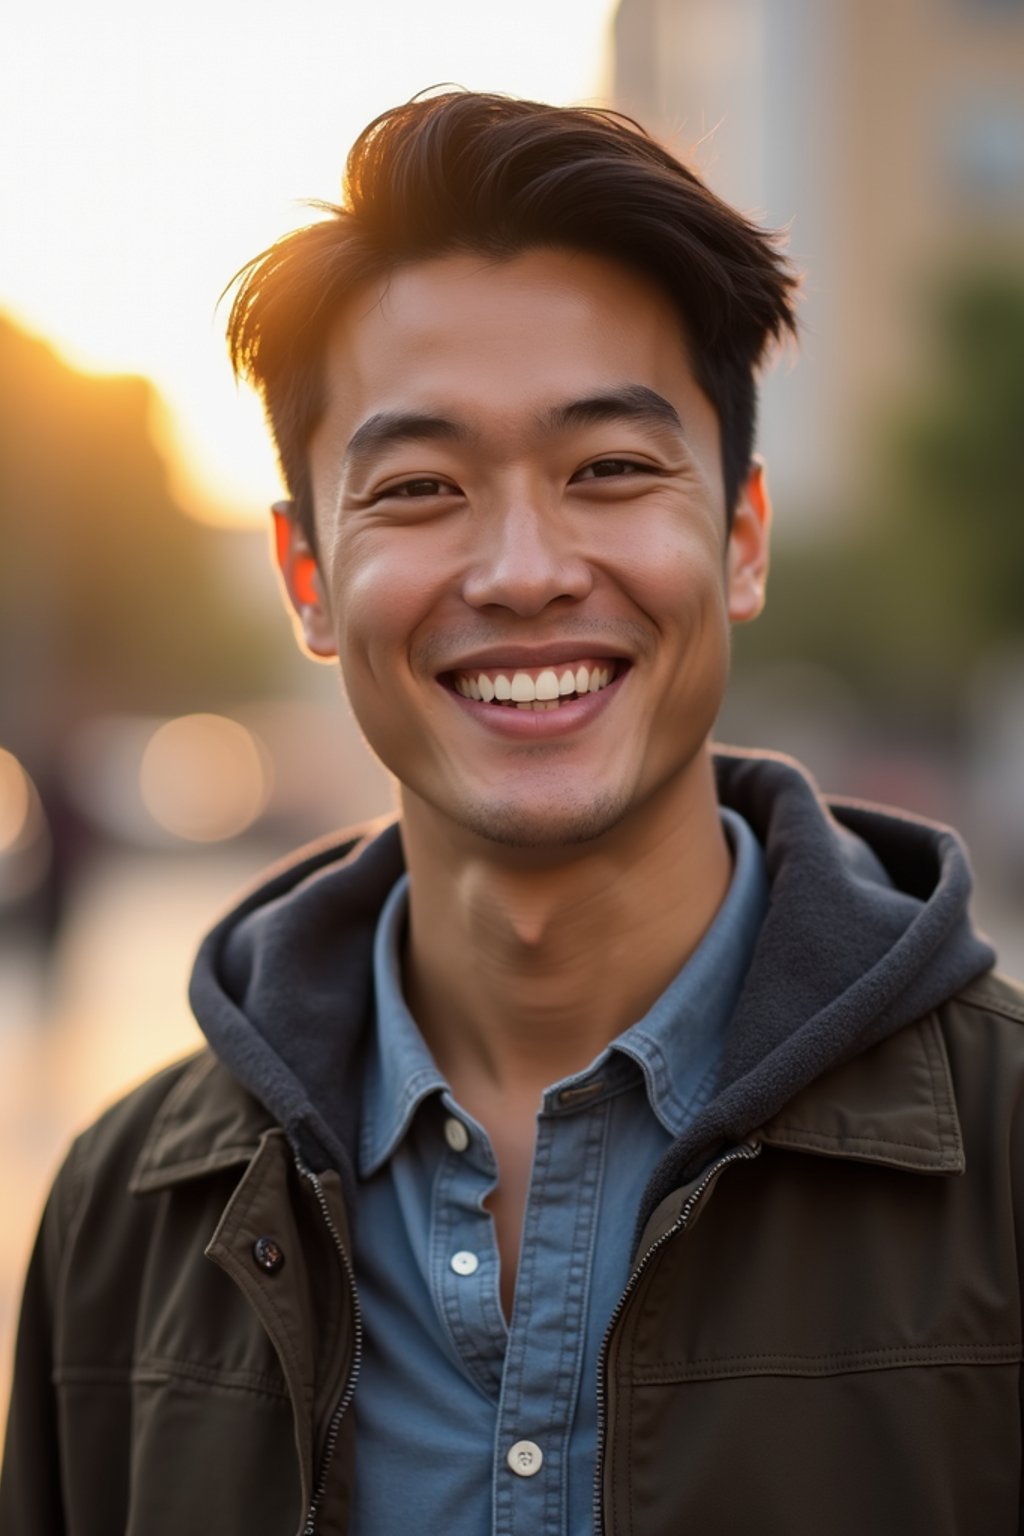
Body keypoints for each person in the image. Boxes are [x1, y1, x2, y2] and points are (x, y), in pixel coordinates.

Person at [2, 89, 1022, 1536]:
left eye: (608, 468)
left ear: (741, 536)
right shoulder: (125, 1226)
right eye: (421, 487)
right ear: (308, 576)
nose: (525, 570)